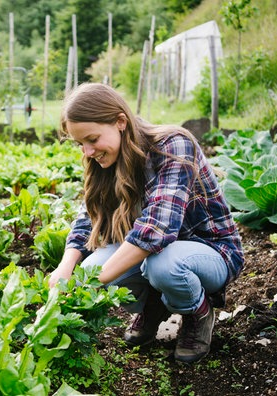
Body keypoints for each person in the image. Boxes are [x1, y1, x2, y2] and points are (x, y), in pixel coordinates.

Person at [48, 83, 244, 363]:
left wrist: (89, 285)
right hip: (153, 254)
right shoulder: (103, 158)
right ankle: (154, 306)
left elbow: (156, 232)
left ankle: (197, 312)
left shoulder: (173, 144)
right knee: (89, 268)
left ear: (120, 122)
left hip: (209, 252)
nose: (88, 151)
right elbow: (87, 221)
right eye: (81, 144)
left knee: (160, 265)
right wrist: (64, 269)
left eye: (92, 139)